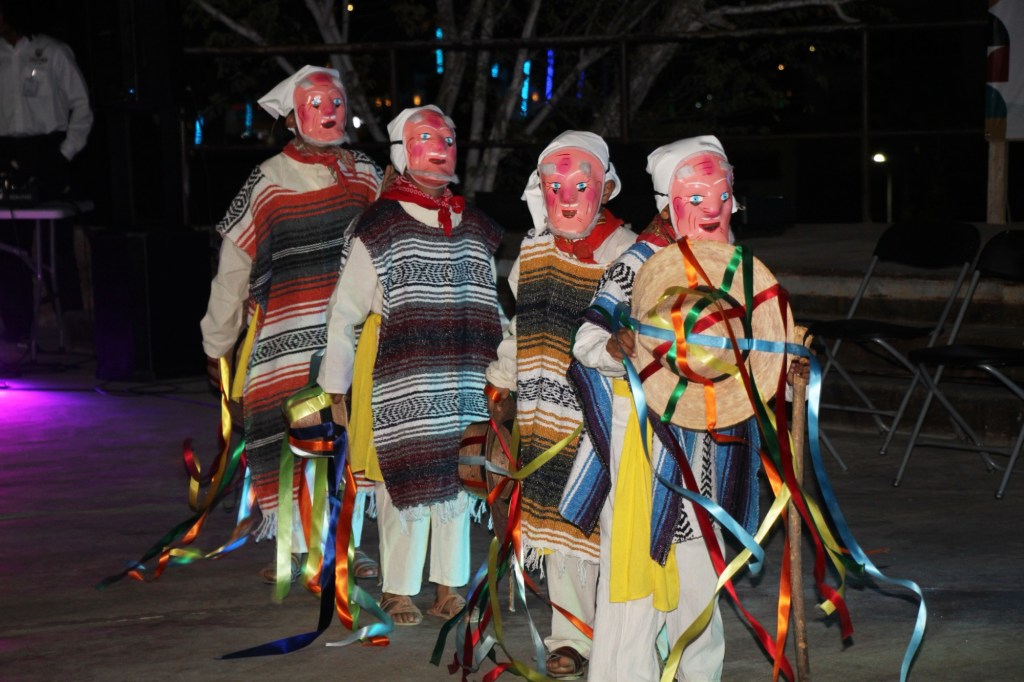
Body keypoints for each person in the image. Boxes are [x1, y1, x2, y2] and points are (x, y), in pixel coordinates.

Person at [562, 136, 762, 681]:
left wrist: (782, 363)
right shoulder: (638, 263)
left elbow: (755, 346)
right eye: (695, 198)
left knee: (699, 584)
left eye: (721, 195)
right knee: (634, 591)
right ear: (666, 204)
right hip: (643, 452)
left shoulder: (737, 266)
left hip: (708, 449)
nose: (712, 208)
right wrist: (613, 347)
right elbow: (586, 339)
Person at [317, 104, 503, 627]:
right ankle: (399, 589)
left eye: (447, 139)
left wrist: (505, 374)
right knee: (406, 474)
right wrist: (334, 390)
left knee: (460, 474)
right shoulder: (380, 225)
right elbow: (344, 312)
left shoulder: (476, 226)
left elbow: (492, 305)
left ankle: (449, 585)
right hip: (403, 370)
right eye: (426, 139)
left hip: (465, 369)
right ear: (402, 152)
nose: (440, 148)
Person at [200, 65, 382, 582]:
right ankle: (298, 548)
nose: (329, 112)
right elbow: (233, 270)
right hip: (283, 340)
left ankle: (344, 544)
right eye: (316, 104)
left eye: (336, 102)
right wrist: (217, 342)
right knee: (290, 442)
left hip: (352, 338)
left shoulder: (367, 175)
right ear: (292, 118)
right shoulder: (266, 182)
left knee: (347, 438)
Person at [483, 131, 635, 678]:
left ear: (606, 188)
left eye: (580, 186)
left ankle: (619, 634)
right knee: (555, 521)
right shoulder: (532, 251)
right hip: (542, 412)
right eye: (555, 187)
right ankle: (571, 636)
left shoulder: (630, 254)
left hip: (604, 416)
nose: (566, 198)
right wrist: (503, 381)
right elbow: (520, 325)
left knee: (605, 522)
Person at [0, 1, 93, 343]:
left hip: (48, 151)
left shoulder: (52, 52)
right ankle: (17, 328)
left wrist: (63, 154)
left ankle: (72, 323)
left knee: (58, 244)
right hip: (7, 153)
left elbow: (82, 107)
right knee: (9, 247)